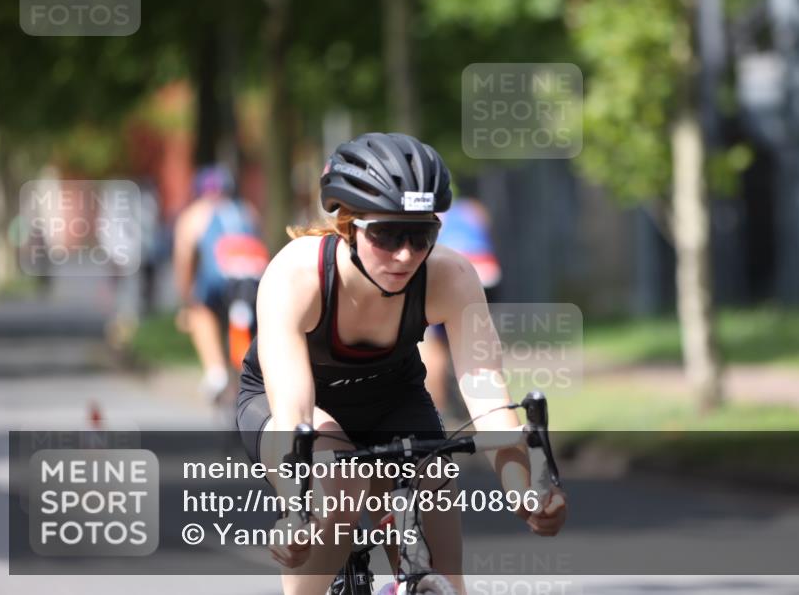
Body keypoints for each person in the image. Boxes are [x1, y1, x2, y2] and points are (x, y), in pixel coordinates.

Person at [235, 133, 566, 595]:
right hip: (295, 409)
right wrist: (298, 509)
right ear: (348, 226)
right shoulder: (296, 276)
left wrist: (524, 492)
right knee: (338, 489)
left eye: (420, 235)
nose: (406, 254)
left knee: (444, 561)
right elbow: (296, 416)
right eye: (386, 235)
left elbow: (488, 396)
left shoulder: (450, 276)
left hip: (394, 399)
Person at [173, 165, 269, 403]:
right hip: (255, 279)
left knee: (199, 310)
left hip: (218, 280)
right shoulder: (247, 210)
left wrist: (186, 299)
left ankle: (215, 371)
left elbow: (183, 259)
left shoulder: (195, 214)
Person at [418, 195, 501, 420]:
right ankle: (485, 405)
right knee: (479, 340)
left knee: (436, 348)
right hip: (485, 270)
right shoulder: (472, 209)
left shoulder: (431, 216)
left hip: (454, 273)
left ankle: (438, 412)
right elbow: (484, 227)